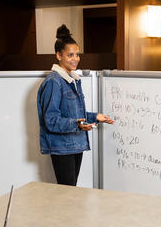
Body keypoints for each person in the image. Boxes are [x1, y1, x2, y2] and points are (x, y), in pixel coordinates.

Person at [37, 24, 114, 186]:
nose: (76, 59)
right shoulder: (54, 82)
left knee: (70, 192)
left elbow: (72, 113)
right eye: (70, 55)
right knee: (67, 195)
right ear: (58, 55)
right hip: (62, 148)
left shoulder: (72, 80)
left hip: (74, 145)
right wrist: (77, 125)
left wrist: (95, 117)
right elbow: (50, 119)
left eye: (77, 54)